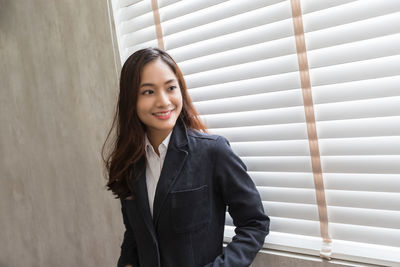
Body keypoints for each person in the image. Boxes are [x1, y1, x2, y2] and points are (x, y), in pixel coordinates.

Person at [102, 47, 269, 267]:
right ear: (130, 100)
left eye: (170, 87)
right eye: (148, 92)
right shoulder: (129, 162)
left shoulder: (213, 152)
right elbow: (135, 235)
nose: (163, 101)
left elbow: (254, 223)